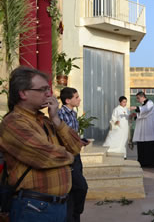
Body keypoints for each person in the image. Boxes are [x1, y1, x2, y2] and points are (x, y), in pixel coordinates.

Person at [0, 67, 82, 222]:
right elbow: (45, 156)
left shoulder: (46, 120)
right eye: (43, 89)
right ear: (23, 93)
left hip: (59, 205)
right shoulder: (13, 123)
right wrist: (69, 156)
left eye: (48, 89)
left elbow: (76, 146)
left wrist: (56, 120)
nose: (49, 94)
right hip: (34, 207)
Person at [58, 87, 88, 222]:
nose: (79, 99)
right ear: (68, 100)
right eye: (76, 97)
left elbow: (73, 135)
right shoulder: (60, 115)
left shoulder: (73, 114)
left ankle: (74, 217)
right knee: (80, 187)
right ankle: (72, 215)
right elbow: (62, 137)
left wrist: (79, 141)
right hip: (67, 156)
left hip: (76, 155)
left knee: (76, 189)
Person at [131, 91, 154, 168]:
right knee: (143, 145)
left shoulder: (150, 103)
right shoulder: (144, 105)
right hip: (144, 130)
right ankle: (143, 162)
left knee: (149, 145)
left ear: (142, 97)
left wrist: (136, 108)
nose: (138, 100)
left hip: (150, 129)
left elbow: (146, 110)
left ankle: (151, 162)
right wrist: (136, 115)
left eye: (138, 98)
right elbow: (143, 114)